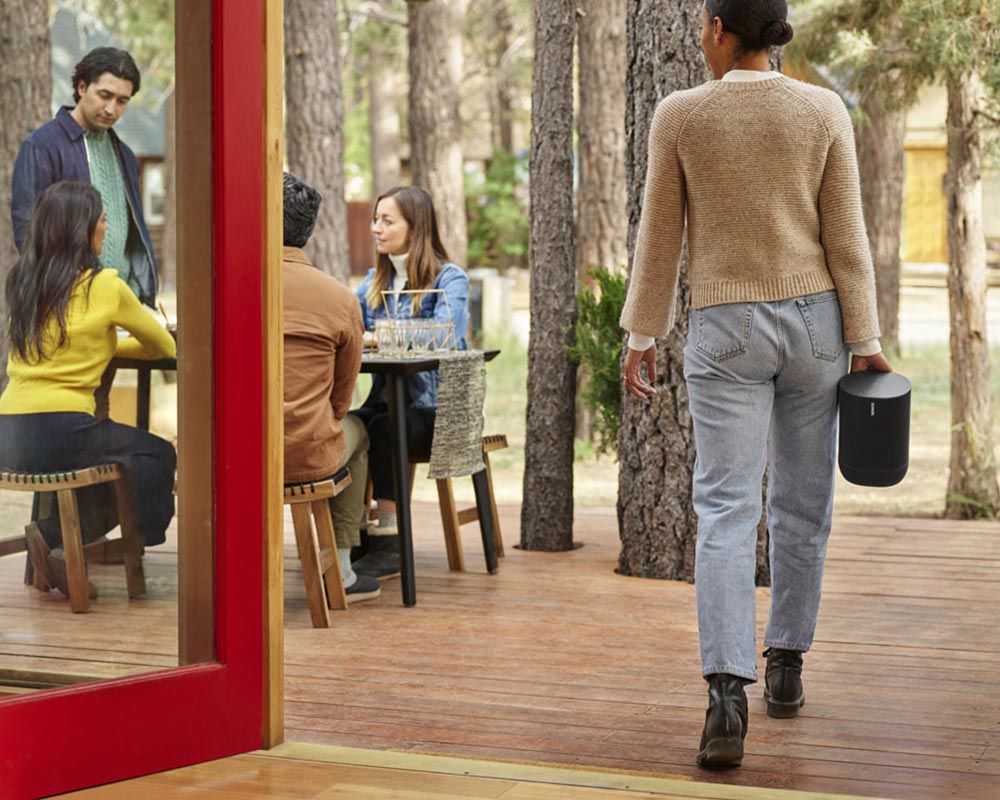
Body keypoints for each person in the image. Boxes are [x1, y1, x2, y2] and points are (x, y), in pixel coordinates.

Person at [619, 0, 893, 769]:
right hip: (817, 327)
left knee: (726, 509)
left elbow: (659, 233)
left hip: (724, 326)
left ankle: (725, 698)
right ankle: (787, 666)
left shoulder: (680, 114)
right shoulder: (822, 109)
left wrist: (642, 334)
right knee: (803, 505)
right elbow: (847, 237)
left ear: (718, 29)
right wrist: (866, 340)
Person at [0, 181, 177, 599]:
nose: (106, 228)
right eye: (102, 221)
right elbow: (163, 345)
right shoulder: (106, 286)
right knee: (156, 454)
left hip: (8, 432)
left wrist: (104, 341)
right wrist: (112, 340)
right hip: (64, 431)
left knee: (110, 459)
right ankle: (66, 539)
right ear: (82, 230)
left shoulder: (21, 281)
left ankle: (56, 542)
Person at [351, 186, 470, 579]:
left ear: (415, 228)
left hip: (439, 412)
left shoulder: (450, 279)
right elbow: (350, 327)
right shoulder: (374, 281)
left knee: (385, 428)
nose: (376, 228)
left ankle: (390, 541)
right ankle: (356, 536)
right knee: (349, 427)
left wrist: (381, 333)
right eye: (376, 219)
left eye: (387, 221)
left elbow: (446, 333)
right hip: (385, 404)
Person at [281, 172, 380, 603]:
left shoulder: (226, 285)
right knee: (358, 431)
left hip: (232, 457)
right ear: (309, 228)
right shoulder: (340, 298)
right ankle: (341, 571)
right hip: (306, 455)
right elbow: (340, 400)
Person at [11, 47, 157, 306]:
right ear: (82, 87)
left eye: (122, 101)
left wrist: (134, 293)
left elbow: (134, 235)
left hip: (122, 301)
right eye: (105, 95)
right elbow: (29, 235)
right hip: (70, 305)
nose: (111, 109)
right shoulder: (42, 146)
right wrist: (67, 298)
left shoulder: (125, 155)